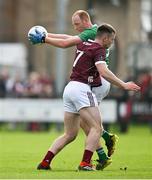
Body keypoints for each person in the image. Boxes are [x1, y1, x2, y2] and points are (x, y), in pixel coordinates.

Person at [29, 24, 140, 171]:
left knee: (69, 134)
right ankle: (85, 163)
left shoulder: (83, 43)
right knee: (96, 128)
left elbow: (66, 39)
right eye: (111, 40)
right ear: (105, 38)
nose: (111, 43)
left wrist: (47, 36)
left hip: (69, 89)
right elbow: (103, 71)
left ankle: (45, 162)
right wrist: (123, 85)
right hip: (82, 89)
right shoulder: (100, 49)